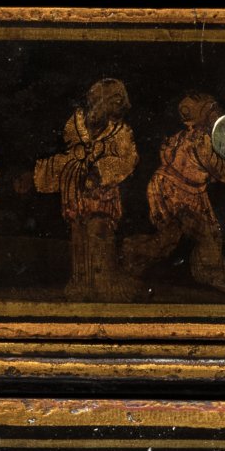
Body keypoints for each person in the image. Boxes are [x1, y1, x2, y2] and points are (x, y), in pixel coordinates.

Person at [128, 91, 225, 293]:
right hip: (181, 192)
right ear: (205, 113)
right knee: (209, 234)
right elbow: (223, 173)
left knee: (170, 235)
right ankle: (212, 274)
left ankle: (132, 256)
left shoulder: (181, 137)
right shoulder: (201, 140)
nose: (218, 115)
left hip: (167, 187)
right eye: (213, 110)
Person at [31, 77, 139, 298]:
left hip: (102, 193)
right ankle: (81, 284)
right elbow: (71, 148)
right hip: (76, 191)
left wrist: (100, 169)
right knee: (78, 234)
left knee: (99, 231)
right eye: (98, 100)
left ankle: (104, 283)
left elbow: (128, 159)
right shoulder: (78, 123)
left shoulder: (121, 131)